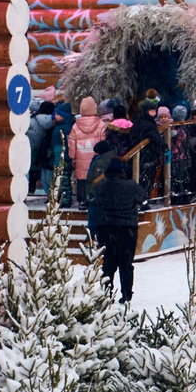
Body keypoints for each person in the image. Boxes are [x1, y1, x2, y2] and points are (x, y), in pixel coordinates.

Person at [87, 145, 145, 303]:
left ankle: (106, 292)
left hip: (106, 228)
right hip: (127, 230)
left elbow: (93, 199)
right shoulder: (132, 185)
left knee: (108, 263)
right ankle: (126, 294)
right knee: (126, 264)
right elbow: (142, 197)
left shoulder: (101, 185)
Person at [65, 97, 107, 210]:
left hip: (80, 158)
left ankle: (82, 200)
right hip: (95, 158)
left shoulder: (75, 126)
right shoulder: (101, 125)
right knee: (95, 178)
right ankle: (93, 199)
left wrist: (72, 158)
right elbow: (103, 143)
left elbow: (72, 144)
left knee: (81, 180)